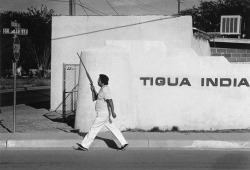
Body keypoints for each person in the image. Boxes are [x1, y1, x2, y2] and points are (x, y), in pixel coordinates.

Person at [77, 74, 129, 151]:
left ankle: (85, 145)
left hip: (103, 114)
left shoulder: (105, 89)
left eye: (99, 80)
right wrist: (93, 90)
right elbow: (95, 98)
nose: (97, 81)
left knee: (93, 129)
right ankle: (124, 143)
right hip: (104, 114)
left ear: (102, 81)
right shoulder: (102, 89)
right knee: (114, 129)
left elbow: (110, 101)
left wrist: (113, 112)